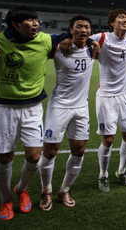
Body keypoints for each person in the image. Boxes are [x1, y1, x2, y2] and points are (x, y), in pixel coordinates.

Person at [0, 6, 98, 221]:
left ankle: (23, 189)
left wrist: (89, 41)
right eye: (30, 21)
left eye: (36, 20)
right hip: (5, 107)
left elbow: (69, 36)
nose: (35, 24)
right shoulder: (1, 41)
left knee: (34, 156)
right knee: (5, 157)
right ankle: (8, 199)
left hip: (34, 106)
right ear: (15, 24)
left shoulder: (46, 40)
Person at [38, 15, 95, 211]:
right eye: (79, 27)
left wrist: (93, 41)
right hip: (59, 106)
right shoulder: (60, 47)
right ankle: (46, 191)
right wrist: (62, 37)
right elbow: (41, 39)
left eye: (86, 27)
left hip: (81, 108)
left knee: (79, 150)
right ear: (71, 29)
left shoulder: (92, 48)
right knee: (50, 151)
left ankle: (64, 189)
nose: (83, 31)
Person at [89, 9, 126, 192]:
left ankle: (121, 171)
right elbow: (81, 37)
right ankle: (103, 174)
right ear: (112, 22)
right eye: (121, 18)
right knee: (109, 139)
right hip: (106, 96)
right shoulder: (102, 37)